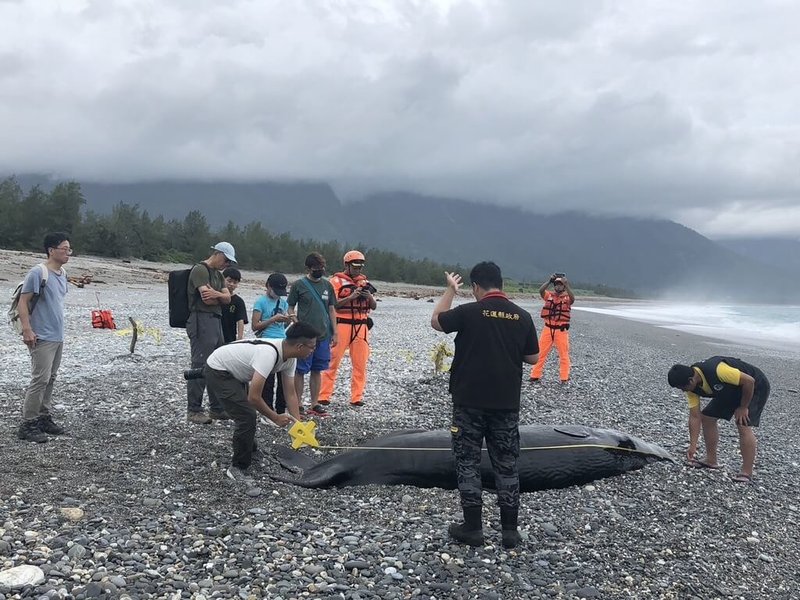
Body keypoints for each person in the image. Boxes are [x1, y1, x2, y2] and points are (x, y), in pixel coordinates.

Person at [431, 261, 539, 548]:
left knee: (467, 461)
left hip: (469, 402)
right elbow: (533, 358)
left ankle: (473, 527)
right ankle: (509, 531)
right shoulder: (522, 316)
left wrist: (450, 291)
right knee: (506, 464)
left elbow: (437, 320)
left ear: (476, 286)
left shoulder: (469, 312)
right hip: (505, 403)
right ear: (501, 284)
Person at [204, 321, 321, 482]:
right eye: (312, 346)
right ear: (300, 346)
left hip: (236, 371)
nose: (313, 350)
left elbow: (290, 393)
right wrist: (275, 417)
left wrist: (298, 425)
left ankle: (251, 450)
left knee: (246, 412)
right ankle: (237, 467)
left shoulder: (290, 357)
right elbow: (254, 397)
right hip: (219, 370)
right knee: (246, 416)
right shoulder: (268, 354)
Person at [668, 357, 770, 483]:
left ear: (691, 380)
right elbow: (695, 416)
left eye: (682, 387)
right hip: (729, 389)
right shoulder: (691, 386)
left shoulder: (718, 370)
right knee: (707, 418)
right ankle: (711, 460)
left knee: (742, 423)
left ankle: (746, 472)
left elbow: (749, 381)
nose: (683, 390)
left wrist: (743, 407)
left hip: (755, 387)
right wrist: (693, 446)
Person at [16, 232, 72, 443]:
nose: (68, 253)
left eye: (69, 249)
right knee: (40, 379)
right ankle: (28, 424)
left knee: (51, 378)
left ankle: (43, 416)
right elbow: (23, 302)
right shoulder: (38, 273)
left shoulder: (62, 273)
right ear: (51, 250)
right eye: (64, 248)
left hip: (57, 335)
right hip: (41, 335)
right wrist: (27, 329)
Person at [319, 250, 377, 407]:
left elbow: (374, 306)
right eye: (355, 265)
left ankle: (356, 397)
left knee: (360, 364)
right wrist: (351, 297)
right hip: (341, 325)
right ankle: (324, 395)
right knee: (332, 361)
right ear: (347, 265)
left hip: (361, 327)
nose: (358, 269)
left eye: (360, 266)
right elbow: (333, 305)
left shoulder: (364, 282)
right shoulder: (335, 282)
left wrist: (368, 296)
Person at [186, 242, 236, 424]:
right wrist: (219, 296)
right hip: (201, 319)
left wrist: (218, 295)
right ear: (218, 254)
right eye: (226, 260)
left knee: (217, 363)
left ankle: (217, 408)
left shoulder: (217, 275)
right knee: (200, 364)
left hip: (215, 321)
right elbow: (206, 299)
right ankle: (194, 409)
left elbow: (228, 297)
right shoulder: (200, 270)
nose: (227, 265)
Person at [287, 252, 338, 416]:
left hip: (323, 335)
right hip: (305, 336)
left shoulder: (327, 285)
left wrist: (335, 332)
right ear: (308, 268)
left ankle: (315, 403)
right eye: (316, 268)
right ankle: (299, 403)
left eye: (322, 267)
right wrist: (295, 321)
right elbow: (290, 307)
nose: (320, 270)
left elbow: (331, 309)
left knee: (318, 369)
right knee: (300, 370)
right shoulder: (298, 285)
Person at [252, 273, 295, 414]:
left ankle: (281, 409)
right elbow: (255, 326)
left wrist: (287, 320)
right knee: (268, 379)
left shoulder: (283, 303)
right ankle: (267, 410)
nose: (278, 295)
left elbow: (283, 327)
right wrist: (273, 319)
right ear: (268, 286)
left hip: (281, 340)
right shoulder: (261, 302)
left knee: (284, 377)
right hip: (266, 341)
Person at [530, 273, 575, 384]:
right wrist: (549, 281)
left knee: (564, 355)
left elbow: (572, 299)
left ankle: (564, 377)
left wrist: (567, 284)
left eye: (560, 284)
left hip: (561, 330)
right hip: (548, 329)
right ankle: (535, 375)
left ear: (564, 286)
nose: (558, 286)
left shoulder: (567, 297)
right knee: (540, 353)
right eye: (556, 284)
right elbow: (541, 291)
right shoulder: (549, 295)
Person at [220, 267, 248, 344]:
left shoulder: (238, 301)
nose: (231, 284)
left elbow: (240, 320)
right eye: (229, 281)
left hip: (229, 337)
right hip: (213, 334)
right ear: (222, 279)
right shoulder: (216, 296)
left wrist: (239, 339)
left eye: (235, 282)